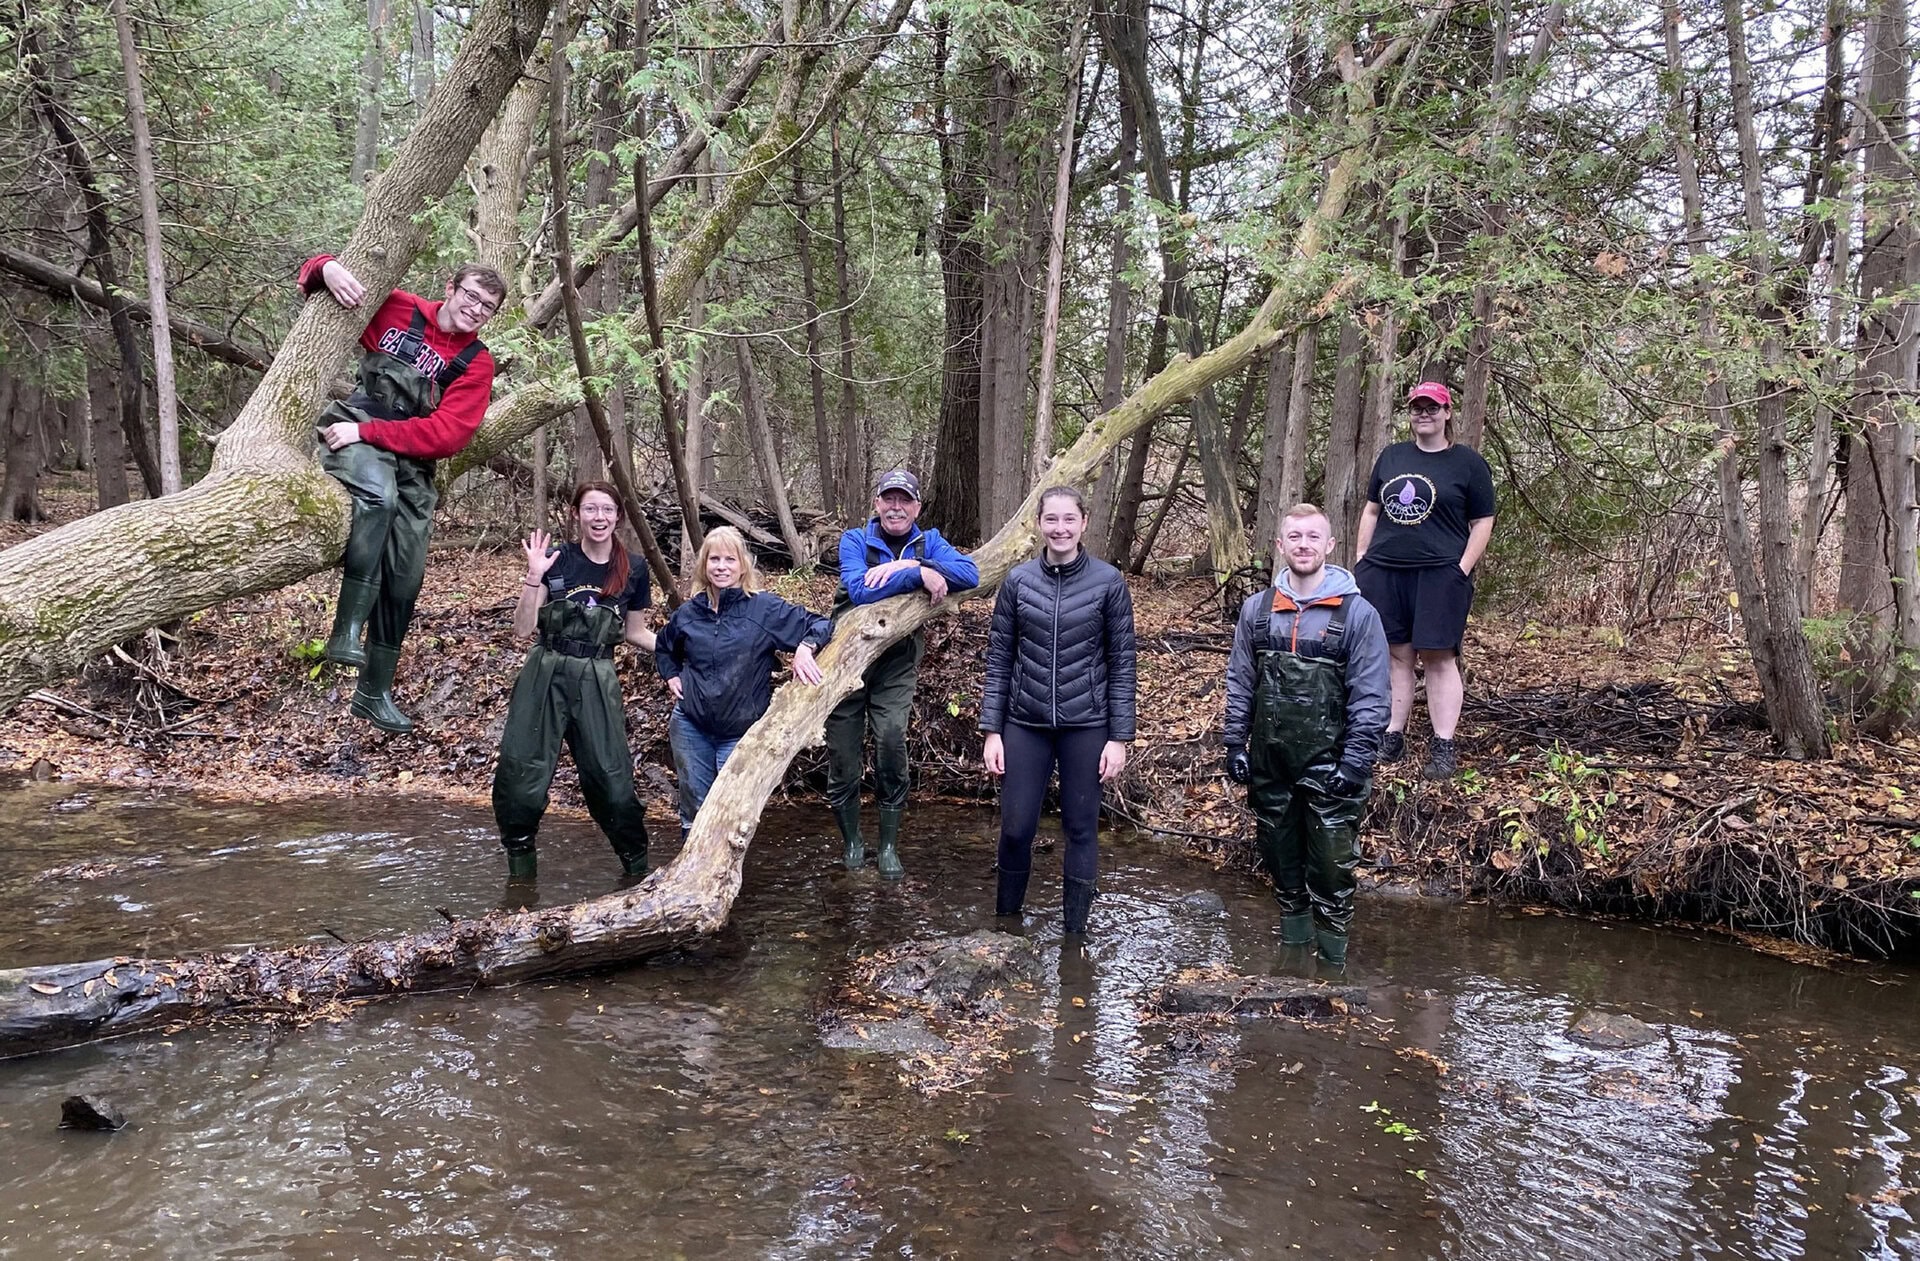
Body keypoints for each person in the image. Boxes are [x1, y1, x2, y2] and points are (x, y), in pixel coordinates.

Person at [298, 252, 507, 734]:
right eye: (471, 296)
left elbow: (448, 435)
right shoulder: (397, 307)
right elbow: (315, 287)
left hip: (403, 454)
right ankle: (344, 633)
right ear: (451, 287)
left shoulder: (476, 363)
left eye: (487, 307)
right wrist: (326, 267)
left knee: (407, 571)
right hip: (353, 426)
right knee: (377, 499)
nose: (475, 309)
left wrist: (372, 437)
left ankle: (374, 692)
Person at [1224, 503, 1390, 968]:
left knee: (1333, 868)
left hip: (1334, 762)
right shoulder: (1257, 611)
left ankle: (1332, 971)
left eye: (1312, 537)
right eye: (1294, 537)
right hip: (1270, 762)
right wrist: (1235, 744)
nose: (1303, 545)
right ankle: (1291, 958)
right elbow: (1240, 682)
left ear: (1329, 545)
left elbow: (1372, 694)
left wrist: (1356, 763)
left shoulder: (1359, 615)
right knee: (1280, 860)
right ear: (1280, 545)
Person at [980, 487, 1136, 935]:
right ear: (1039, 525)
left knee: (1081, 829)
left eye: (1069, 520)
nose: (1061, 528)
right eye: (1052, 520)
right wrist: (992, 730)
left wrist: (1119, 737)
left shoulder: (1108, 582)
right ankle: (1004, 928)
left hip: (1086, 723)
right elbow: (999, 658)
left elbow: (1123, 662)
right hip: (1024, 722)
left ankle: (1075, 938)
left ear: (1084, 523)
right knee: (1015, 829)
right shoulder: (1018, 582)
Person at [491, 482, 656, 883]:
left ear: (618, 516)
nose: (598, 518)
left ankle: (638, 877)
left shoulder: (633, 568)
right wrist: (534, 576)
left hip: (597, 677)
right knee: (521, 783)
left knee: (613, 786)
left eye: (607, 510)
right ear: (576, 514)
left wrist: (681, 655)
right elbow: (522, 629)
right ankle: (521, 887)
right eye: (590, 509)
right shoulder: (555, 559)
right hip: (544, 674)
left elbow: (637, 632)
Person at [824, 469, 979, 878]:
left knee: (891, 738)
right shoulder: (855, 540)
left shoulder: (930, 542)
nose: (896, 507)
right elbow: (858, 590)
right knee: (843, 753)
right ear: (876, 503)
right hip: (846, 659)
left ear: (916, 507)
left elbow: (971, 574)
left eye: (904, 500)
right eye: (888, 499)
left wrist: (915, 560)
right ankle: (853, 842)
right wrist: (914, 575)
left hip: (897, 661)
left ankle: (889, 845)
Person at [1352, 381, 1496, 780]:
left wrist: (1462, 568)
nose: (1424, 414)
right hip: (1386, 572)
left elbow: (1483, 521)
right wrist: (1362, 558)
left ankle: (1443, 743)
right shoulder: (1393, 456)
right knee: (1397, 654)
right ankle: (1391, 735)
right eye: (1417, 407)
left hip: (1440, 575)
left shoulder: (1467, 463)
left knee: (1438, 656)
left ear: (1448, 413)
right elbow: (1371, 509)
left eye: (1432, 407)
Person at [655, 527, 832, 835]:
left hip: (741, 732)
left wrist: (805, 648)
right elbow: (664, 647)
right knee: (695, 809)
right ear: (704, 565)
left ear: (742, 565)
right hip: (691, 726)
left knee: (730, 812)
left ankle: (725, 879)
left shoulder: (764, 609)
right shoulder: (688, 614)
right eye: (714, 559)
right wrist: (670, 675)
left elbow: (820, 623)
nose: (721, 566)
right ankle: (690, 879)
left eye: (729, 559)